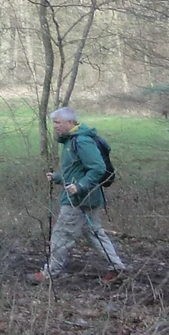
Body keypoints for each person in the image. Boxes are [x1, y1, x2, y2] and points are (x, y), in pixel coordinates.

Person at [31, 106, 126, 285]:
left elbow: (98, 168)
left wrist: (81, 186)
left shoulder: (81, 141)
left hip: (79, 199)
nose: (55, 127)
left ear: (70, 122)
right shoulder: (71, 141)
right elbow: (77, 169)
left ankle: (50, 273)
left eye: (58, 123)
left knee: (62, 234)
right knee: (94, 233)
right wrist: (58, 177)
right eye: (54, 123)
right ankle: (117, 268)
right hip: (87, 197)